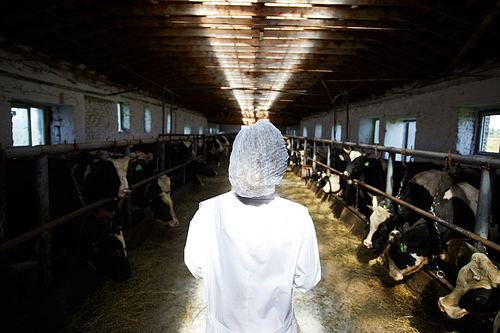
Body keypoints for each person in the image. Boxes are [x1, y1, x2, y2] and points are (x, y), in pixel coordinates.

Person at [184, 120, 321, 333]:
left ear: (236, 160)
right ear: (277, 163)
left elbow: (197, 268)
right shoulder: (297, 216)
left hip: (222, 328)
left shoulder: (208, 211)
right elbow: (306, 280)